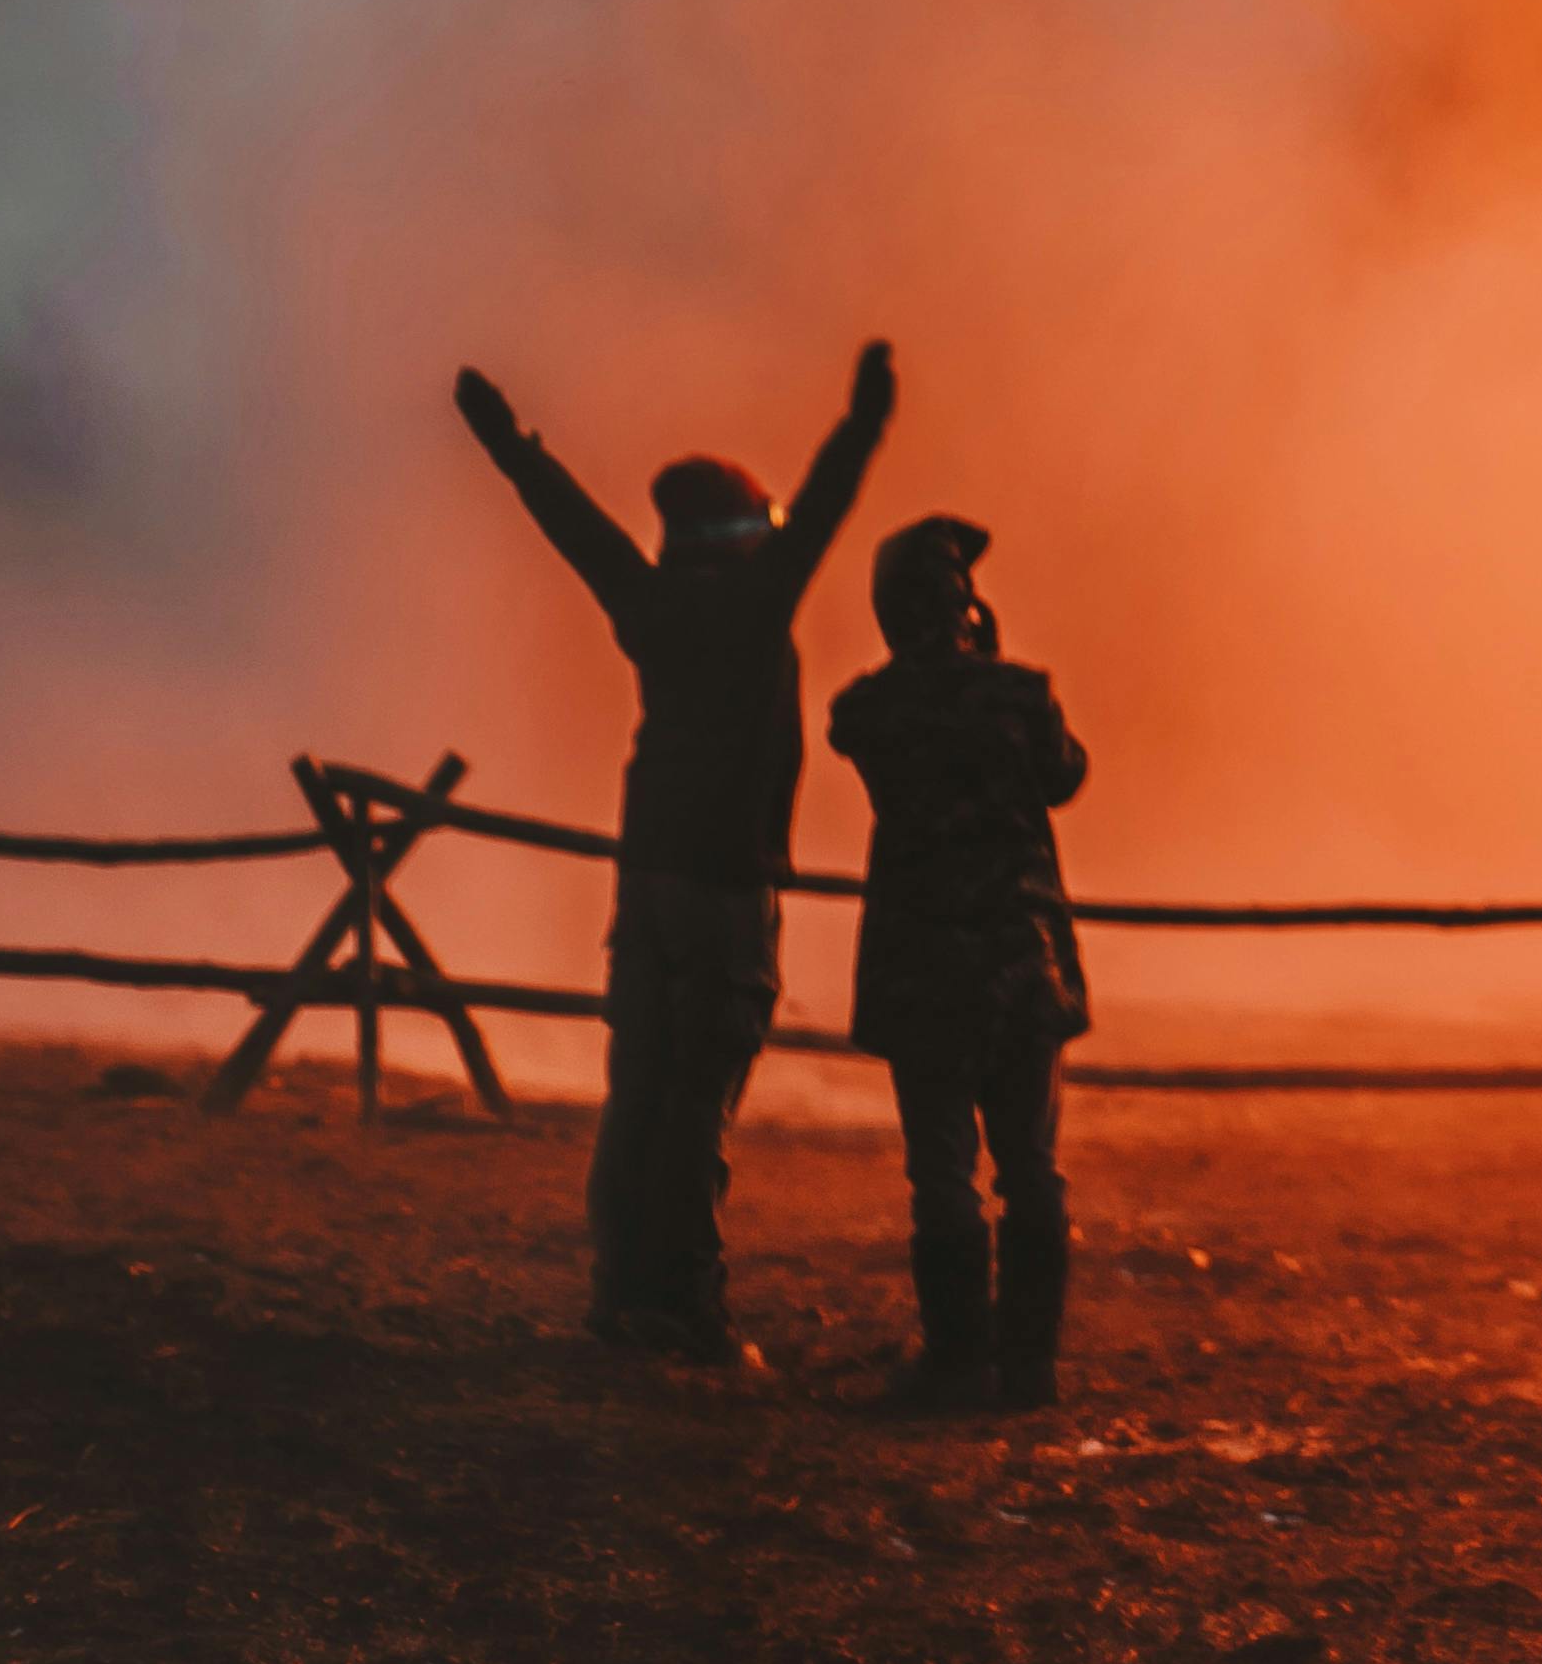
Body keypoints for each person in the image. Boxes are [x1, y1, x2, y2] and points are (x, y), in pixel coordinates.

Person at [453, 337, 896, 1370]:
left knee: (639, 1083)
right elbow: (825, 505)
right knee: (700, 1092)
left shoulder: (644, 599)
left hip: (645, 869)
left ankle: (619, 1291)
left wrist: (510, 446)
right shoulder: (756, 595)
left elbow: (571, 523)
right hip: (727, 877)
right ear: (745, 530)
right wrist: (864, 421)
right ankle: (683, 1306)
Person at [827, 514, 1090, 1410]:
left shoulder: (865, 710)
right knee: (1030, 1168)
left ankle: (954, 1360)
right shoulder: (1023, 697)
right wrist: (993, 654)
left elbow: (859, 735)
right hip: (1022, 955)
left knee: (941, 1171)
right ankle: (1029, 1366)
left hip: (921, 964)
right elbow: (1062, 775)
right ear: (964, 605)